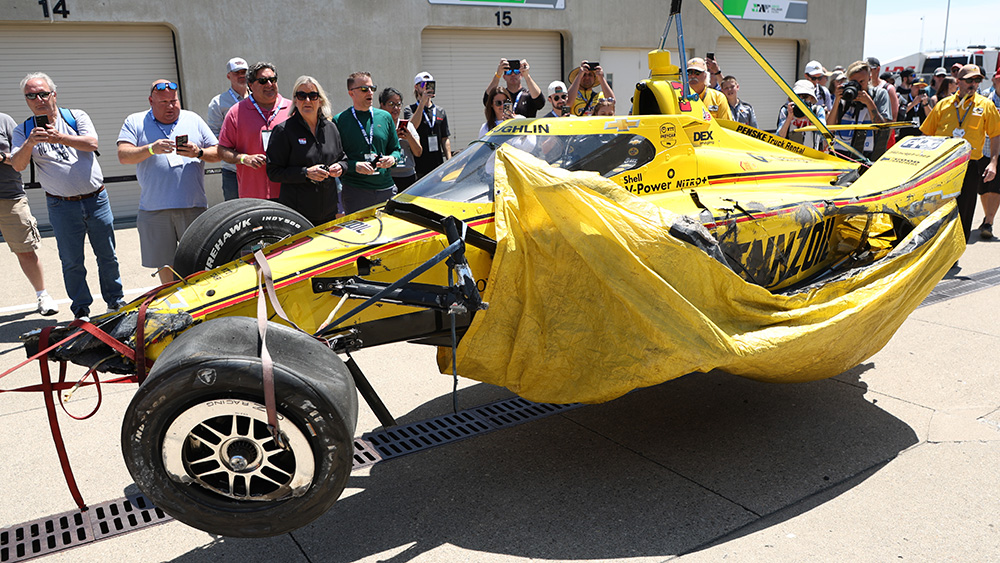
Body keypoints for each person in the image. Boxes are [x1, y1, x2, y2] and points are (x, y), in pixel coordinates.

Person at [10, 72, 124, 320]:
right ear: (27, 100)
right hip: (61, 205)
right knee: (72, 261)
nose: (38, 99)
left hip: (96, 200)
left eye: (43, 93)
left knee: (107, 256)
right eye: (31, 95)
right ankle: (81, 309)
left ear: (54, 94)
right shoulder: (23, 130)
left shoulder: (76, 116)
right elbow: (17, 165)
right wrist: (29, 144)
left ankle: (115, 303)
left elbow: (92, 143)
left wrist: (60, 137)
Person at [117, 79, 221, 283]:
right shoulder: (135, 121)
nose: (170, 107)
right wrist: (149, 149)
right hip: (155, 208)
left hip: (193, 205)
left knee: (199, 261)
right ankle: (173, 304)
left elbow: (218, 153)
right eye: (163, 102)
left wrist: (198, 152)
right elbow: (123, 155)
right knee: (165, 264)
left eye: (174, 101)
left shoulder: (193, 119)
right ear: (150, 101)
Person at [920, 64, 1000, 243]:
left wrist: (993, 162)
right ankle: (936, 245)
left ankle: (956, 248)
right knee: (939, 208)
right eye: (969, 80)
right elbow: (926, 134)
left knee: (964, 209)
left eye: (977, 80)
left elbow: (995, 135)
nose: (974, 84)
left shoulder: (985, 105)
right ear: (958, 81)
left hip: (969, 164)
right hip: (942, 165)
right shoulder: (943, 105)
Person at [266, 76, 347, 226]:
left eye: (313, 96)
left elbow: (343, 159)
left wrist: (340, 167)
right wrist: (306, 173)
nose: (307, 101)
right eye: (301, 96)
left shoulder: (331, 128)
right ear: (295, 100)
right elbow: (273, 172)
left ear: (320, 100)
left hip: (328, 211)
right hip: (297, 215)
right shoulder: (283, 130)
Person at [0, 111, 57, 316]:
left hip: (9, 196)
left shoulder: (4, 121)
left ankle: (43, 295)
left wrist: (1, 156)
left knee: (25, 250)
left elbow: (23, 157)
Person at [218, 62, 292, 200]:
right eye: (263, 81)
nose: (269, 84)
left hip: (289, 192)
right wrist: (244, 158)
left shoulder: (292, 109)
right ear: (250, 85)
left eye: (273, 79)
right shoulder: (236, 112)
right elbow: (222, 150)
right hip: (253, 195)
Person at [333, 71, 402, 215]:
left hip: (386, 189)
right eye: (364, 89)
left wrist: (392, 159)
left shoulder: (385, 117)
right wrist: (354, 166)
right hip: (356, 192)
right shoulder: (340, 121)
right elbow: (336, 159)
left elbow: (396, 150)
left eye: (372, 88)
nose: (370, 92)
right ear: (351, 93)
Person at [829, 60, 891, 160]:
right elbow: (830, 127)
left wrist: (869, 103)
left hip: (867, 154)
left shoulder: (879, 94)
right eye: (854, 82)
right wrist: (837, 100)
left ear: (869, 78)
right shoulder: (845, 94)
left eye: (861, 82)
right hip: (841, 153)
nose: (858, 86)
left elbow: (882, 129)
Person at [206, 57, 248, 201]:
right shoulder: (218, 103)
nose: (241, 75)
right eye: (237, 73)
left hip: (258, 169)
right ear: (228, 76)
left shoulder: (258, 98)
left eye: (244, 72)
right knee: (236, 214)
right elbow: (214, 135)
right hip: (233, 170)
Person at [405, 72, 451, 179]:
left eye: (429, 84)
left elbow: (445, 138)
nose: (426, 87)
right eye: (423, 85)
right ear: (416, 87)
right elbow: (412, 128)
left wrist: (449, 160)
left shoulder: (440, 111)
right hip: (419, 165)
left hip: (437, 165)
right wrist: (422, 103)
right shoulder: (410, 109)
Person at [379, 87, 422, 190]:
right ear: (382, 105)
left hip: (408, 176)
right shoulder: (378, 127)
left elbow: (418, 152)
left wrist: (409, 137)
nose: (396, 108)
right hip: (388, 176)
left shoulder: (408, 126)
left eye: (398, 105)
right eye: (391, 104)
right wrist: (394, 138)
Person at [776, 80, 827, 150]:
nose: (801, 100)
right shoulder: (786, 110)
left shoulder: (817, 110)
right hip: (789, 155)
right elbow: (779, 137)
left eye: (805, 96)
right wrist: (789, 118)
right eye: (797, 96)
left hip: (810, 156)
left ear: (811, 98)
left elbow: (824, 134)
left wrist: (810, 116)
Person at [982, 72, 1000, 238]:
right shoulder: (986, 98)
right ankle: (987, 216)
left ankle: (989, 221)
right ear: (994, 80)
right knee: (983, 189)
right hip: (984, 148)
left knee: (996, 188)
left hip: (999, 152)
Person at [868, 57, 900, 123]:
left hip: (882, 130)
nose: (868, 73)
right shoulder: (864, 87)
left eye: (870, 70)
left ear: (878, 69)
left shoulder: (888, 88)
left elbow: (893, 117)